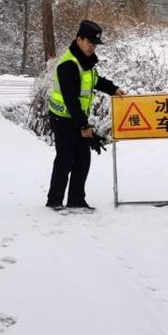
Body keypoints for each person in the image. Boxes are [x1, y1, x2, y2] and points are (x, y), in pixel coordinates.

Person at [46, 19, 125, 211]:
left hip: (76, 119)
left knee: (82, 159)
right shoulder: (69, 65)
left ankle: (76, 200)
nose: (93, 47)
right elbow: (71, 100)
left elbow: (95, 81)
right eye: (90, 42)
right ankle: (54, 201)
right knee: (65, 160)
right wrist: (84, 126)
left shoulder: (86, 63)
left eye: (95, 44)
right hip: (63, 119)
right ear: (78, 39)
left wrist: (114, 89)